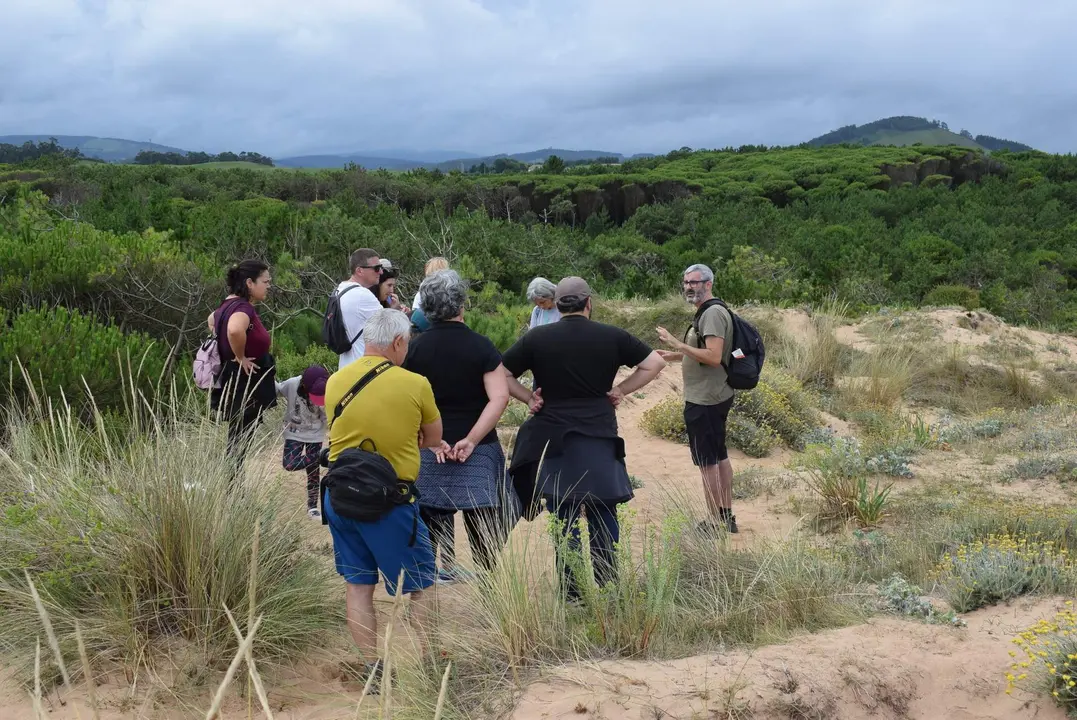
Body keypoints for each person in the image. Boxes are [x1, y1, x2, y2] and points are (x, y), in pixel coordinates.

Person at [502, 277, 666, 603]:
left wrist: (527, 399)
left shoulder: (538, 338)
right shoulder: (612, 336)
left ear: (558, 305)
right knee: (604, 509)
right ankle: (608, 588)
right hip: (600, 433)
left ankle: (573, 594)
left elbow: (501, 371)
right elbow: (655, 363)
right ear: (589, 303)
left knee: (565, 513)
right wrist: (621, 389)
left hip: (556, 437)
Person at [322, 308, 448, 690]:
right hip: (389, 502)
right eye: (406, 343)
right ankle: (429, 665)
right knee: (421, 584)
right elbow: (432, 436)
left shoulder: (334, 381)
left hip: (340, 496)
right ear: (397, 342)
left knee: (359, 585)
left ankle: (372, 669)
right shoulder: (415, 383)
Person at [403, 269, 515, 582]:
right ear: (461, 305)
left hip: (429, 451)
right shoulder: (481, 346)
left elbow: (405, 402)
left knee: (430, 520)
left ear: (426, 309)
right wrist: (472, 439)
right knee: (485, 526)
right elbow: (500, 397)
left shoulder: (414, 350)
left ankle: (429, 592)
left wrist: (432, 440)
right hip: (478, 452)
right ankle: (491, 596)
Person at [655, 263, 738, 534]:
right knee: (719, 455)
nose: (689, 287)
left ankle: (714, 522)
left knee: (708, 463)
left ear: (709, 284)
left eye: (695, 282)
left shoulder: (712, 313)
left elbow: (714, 358)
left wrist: (675, 343)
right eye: (686, 282)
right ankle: (726, 517)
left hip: (706, 400)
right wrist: (675, 356)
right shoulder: (709, 312)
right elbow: (707, 352)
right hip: (713, 395)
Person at [207, 260, 277, 483]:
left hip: (235, 378)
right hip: (245, 381)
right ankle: (233, 486)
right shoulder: (243, 307)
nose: (269, 286)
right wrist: (240, 357)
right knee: (240, 438)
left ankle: (234, 484)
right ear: (249, 282)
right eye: (265, 281)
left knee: (237, 436)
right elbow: (235, 330)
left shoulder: (227, 304)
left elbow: (212, 319)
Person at [276, 365, 329, 519]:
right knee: (289, 464)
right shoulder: (292, 384)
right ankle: (320, 457)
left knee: (313, 472)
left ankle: (312, 507)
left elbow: (327, 417)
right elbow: (278, 390)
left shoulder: (324, 391)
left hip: (315, 433)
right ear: (305, 385)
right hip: (294, 432)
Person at [335, 248, 386, 370]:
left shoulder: (340, 289)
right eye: (376, 268)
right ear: (359, 271)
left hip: (346, 366)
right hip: (364, 368)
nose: (381, 272)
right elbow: (391, 326)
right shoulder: (362, 295)